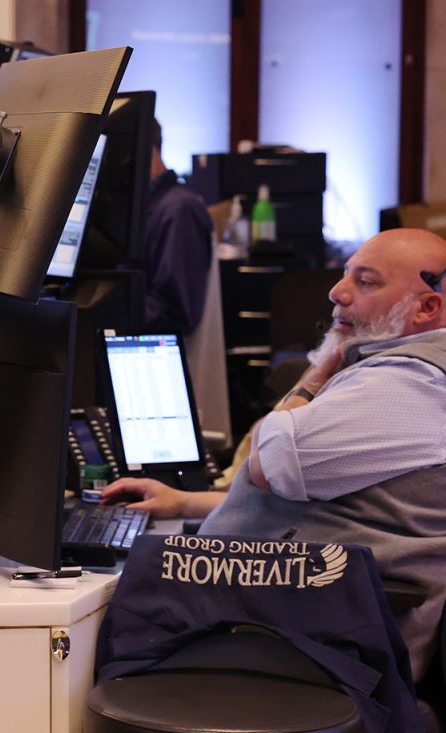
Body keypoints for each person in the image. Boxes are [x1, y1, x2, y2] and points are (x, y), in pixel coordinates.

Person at [103, 228, 446, 682]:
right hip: (298, 618)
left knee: (86, 620)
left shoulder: (412, 384)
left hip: (313, 646)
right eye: (346, 275)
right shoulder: (384, 370)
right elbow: (329, 500)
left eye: (366, 282)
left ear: (427, 307)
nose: (336, 291)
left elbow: (273, 461)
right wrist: (184, 502)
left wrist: (313, 378)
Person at [144, 117, 214, 334]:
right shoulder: (141, 206)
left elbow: (173, 313)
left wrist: (107, 309)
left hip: (159, 355)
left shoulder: (179, 209)